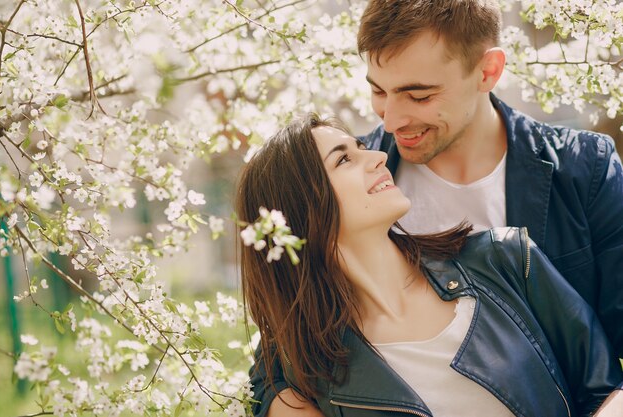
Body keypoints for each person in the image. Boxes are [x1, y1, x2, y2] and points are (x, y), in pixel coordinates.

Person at [235, 114, 623, 417]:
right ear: (301, 209)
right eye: (345, 159)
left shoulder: (507, 258)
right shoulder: (309, 364)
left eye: (360, 147)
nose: (378, 156)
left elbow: (606, 388)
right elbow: (264, 376)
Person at [355, 0, 623, 361]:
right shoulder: (347, 185)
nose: (390, 120)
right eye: (379, 92)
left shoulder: (585, 169)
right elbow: (280, 371)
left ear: (488, 71)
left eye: (419, 96)